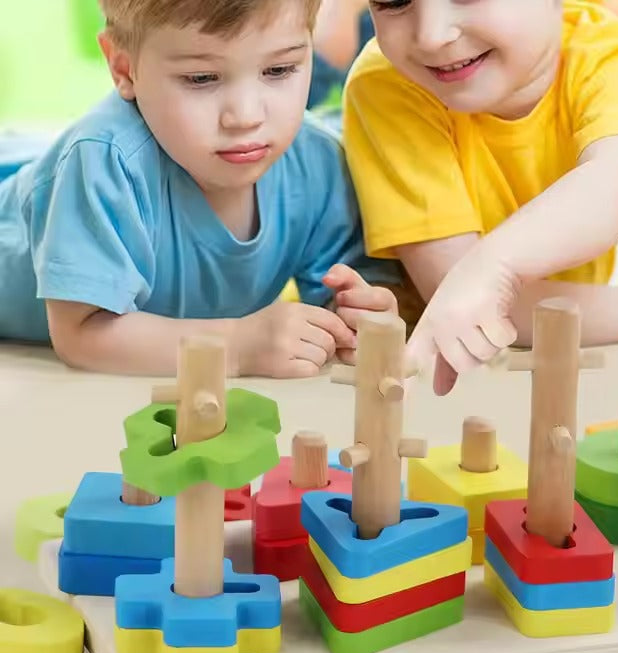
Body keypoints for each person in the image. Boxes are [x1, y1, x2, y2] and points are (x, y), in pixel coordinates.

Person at [0, 0, 400, 378]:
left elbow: (352, 283)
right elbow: (82, 335)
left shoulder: (318, 161)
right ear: (123, 68)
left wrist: (355, 314)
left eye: (279, 70)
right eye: (202, 78)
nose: (246, 116)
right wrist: (236, 346)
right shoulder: (103, 162)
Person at [342, 0, 618, 394]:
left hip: (538, 357)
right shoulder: (388, 82)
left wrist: (493, 264)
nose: (431, 37)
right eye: (392, 1)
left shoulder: (604, 53)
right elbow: (474, 306)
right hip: (431, 364)